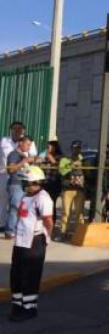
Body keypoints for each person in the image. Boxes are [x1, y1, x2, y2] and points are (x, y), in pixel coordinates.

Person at [9, 166, 53, 322]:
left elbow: (48, 221)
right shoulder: (26, 196)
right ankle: (17, 304)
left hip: (35, 241)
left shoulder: (43, 198)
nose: (24, 186)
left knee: (30, 275)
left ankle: (29, 308)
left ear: (35, 182)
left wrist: (46, 238)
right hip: (21, 240)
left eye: (26, 183)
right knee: (16, 274)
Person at [1, 122, 37, 238]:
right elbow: (11, 167)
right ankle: (6, 228)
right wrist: (24, 160)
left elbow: (34, 158)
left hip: (21, 180)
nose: (18, 131)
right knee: (6, 203)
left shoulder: (27, 145)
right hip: (5, 175)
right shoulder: (4, 141)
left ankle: (11, 227)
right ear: (11, 130)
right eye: (16, 129)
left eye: (21, 129)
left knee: (17, 206)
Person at [57, 141, 87, 239]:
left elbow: (88, 172)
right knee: (66, 212)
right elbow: (61, 171)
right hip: (68, 189)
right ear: (71, 148)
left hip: (80, 189)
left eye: (78, 148)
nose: (76, 150)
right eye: (75, 148)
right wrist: (71, 165)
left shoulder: (84, 159)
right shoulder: (65, 159)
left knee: (80, 213)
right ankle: (63, 232)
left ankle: (79, 233)